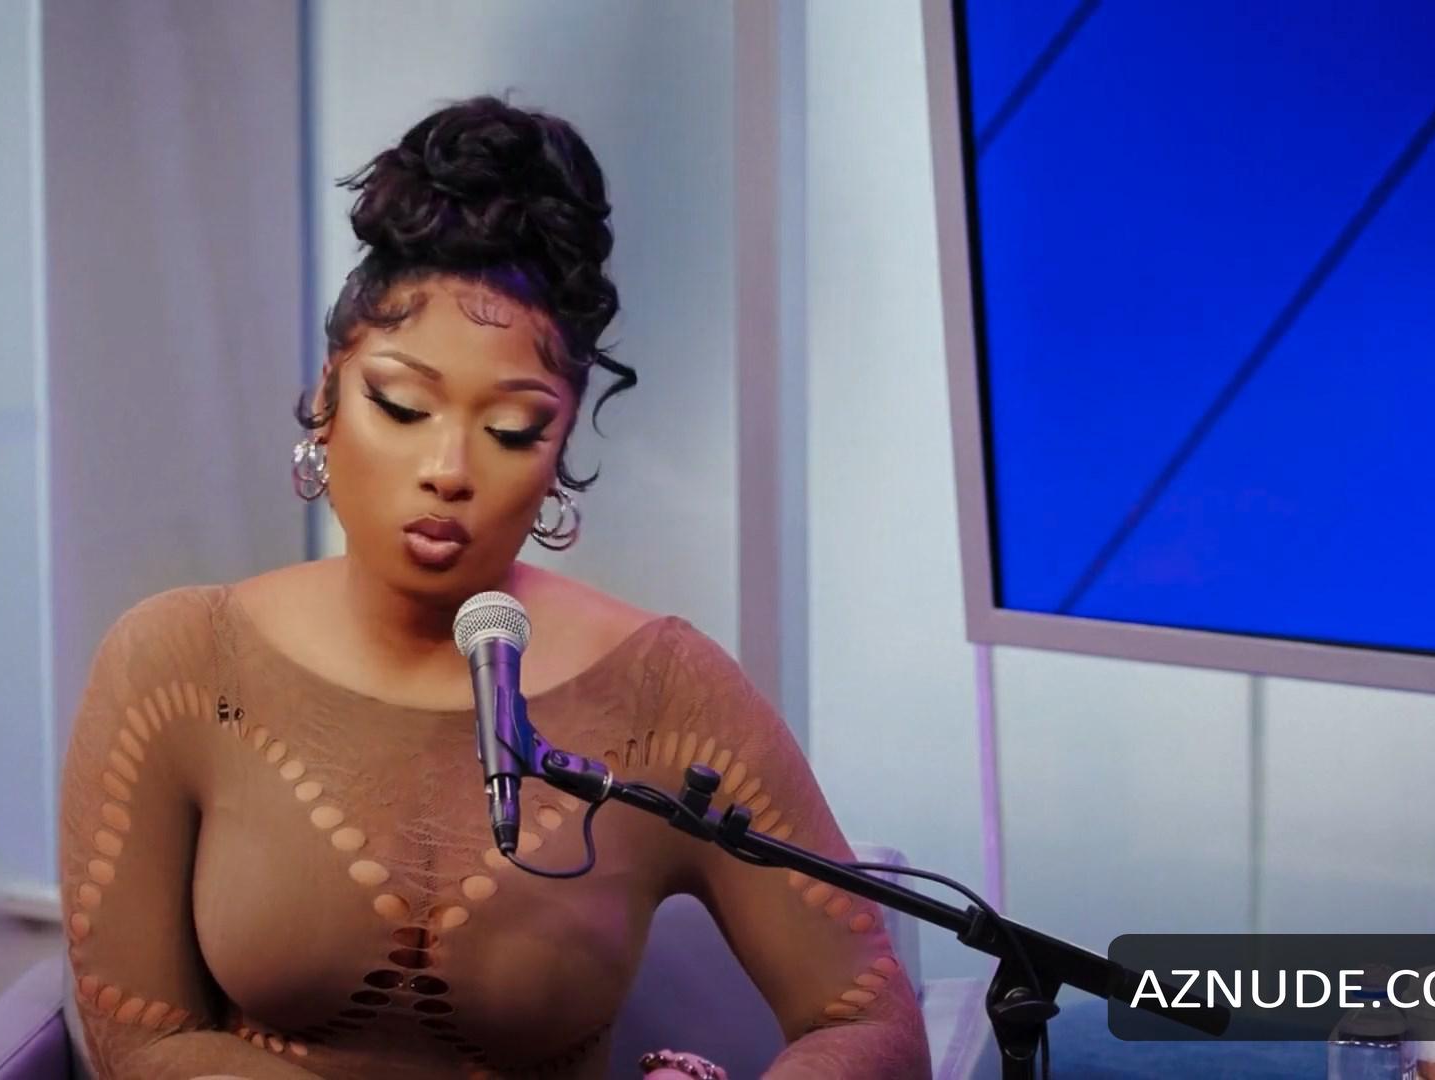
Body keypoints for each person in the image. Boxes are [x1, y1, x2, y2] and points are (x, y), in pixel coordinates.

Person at [57, 95, 929, 1080]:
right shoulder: (179, 667)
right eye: (401, 406)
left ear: (559, 452)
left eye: (513, 430)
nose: (448, 470)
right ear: (329, 397)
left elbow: (871, 1021)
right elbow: (142, 1041)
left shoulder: (666, 697)